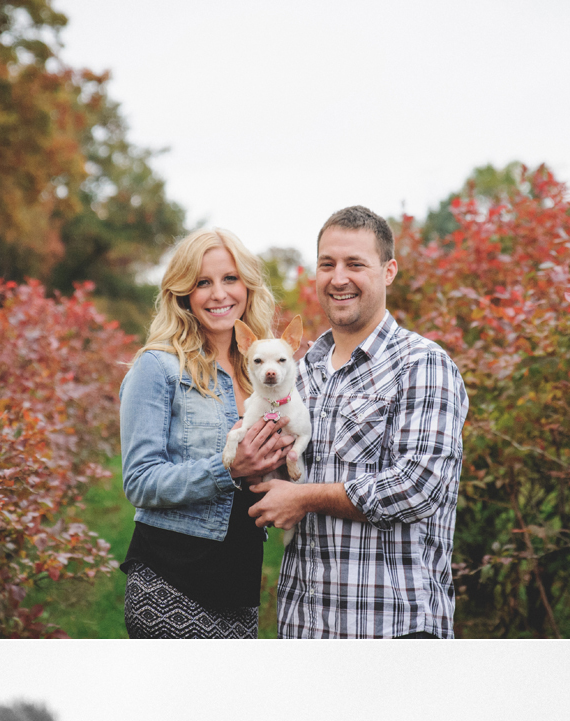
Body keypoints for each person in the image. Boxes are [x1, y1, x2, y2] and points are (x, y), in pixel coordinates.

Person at [248, 207, 468, 640]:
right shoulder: (301, 370)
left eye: (355, 264)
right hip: (305, 624)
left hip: (391, 627)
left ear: (388, 271)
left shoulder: (422, 365)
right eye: (327, 264)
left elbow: (419, 487)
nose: (338, 278)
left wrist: (304, 498)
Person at [119, 228, 291, 638]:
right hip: (171, 576)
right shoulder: (157, 368)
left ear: (247, 286)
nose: (219, 294)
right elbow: (139, 482)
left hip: (239, 582)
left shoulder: (264, 370)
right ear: (183, 293)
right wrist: (228, 468)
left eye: (230, 279)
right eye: (202, 282)